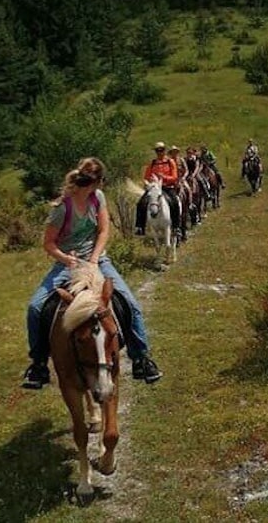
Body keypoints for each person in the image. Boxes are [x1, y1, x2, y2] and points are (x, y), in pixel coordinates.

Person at [22, 157, 163, 389]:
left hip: (98, 260)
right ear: (95, 181)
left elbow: (103, 230)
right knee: (35, 308)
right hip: (67, 264)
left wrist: (95, 259)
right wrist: (67, 259)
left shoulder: (98, 198)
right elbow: (48, 243)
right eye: (101, 181)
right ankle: (38, 364)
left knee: (130, 303)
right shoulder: (62, 208)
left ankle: (141, 358)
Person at [135, 142, 181, 236]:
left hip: (167, 187)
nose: (160, 152)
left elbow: (175, 177)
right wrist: (149, 181)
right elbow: (146, 176)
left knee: (175, 202)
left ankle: (176, 227)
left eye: (161, 150)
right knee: (141, 203)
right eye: (157, 150)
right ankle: (140, 227)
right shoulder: (152, 163)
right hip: (154, 188)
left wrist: (164, 177)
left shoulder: (170, 162)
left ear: (164, 150)